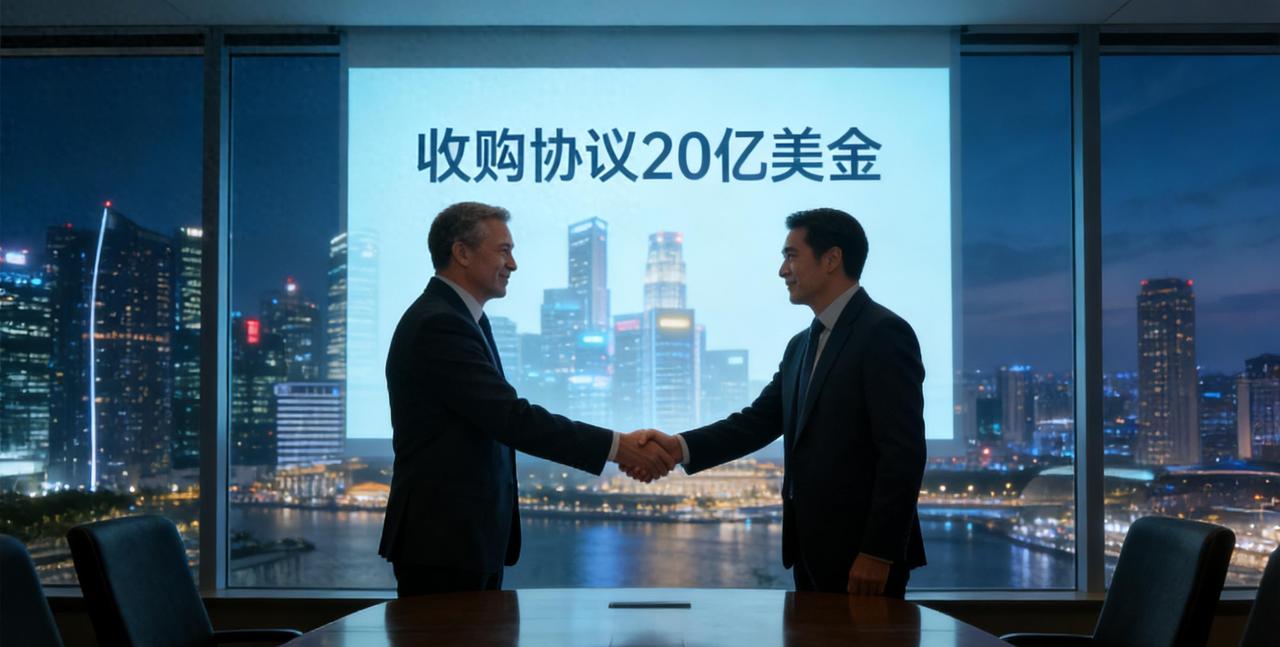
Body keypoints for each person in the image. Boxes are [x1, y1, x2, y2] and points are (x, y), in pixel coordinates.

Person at [379, 201, 675, 597]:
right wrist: (618, 446)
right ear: (461, 252)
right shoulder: (440, 323)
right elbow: (510, 418)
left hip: (463, 541)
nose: (513, 264)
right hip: (444, 542)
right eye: (504, 251)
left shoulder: (463, 318)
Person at [640, 207, 927, 597]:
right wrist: (678, 447)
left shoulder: (883, 333)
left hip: (863, 558)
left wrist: (878, 552)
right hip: (809, 551)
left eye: (791, 256)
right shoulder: (801, 345)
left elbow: (903, 452)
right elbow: (757, 422)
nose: (782, 270)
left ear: (832, 259)